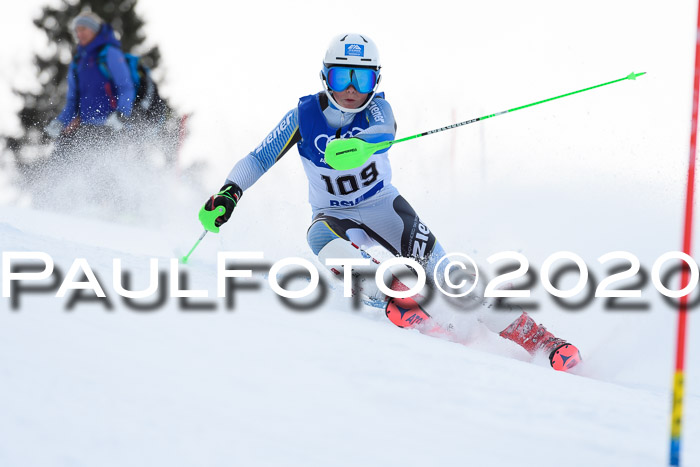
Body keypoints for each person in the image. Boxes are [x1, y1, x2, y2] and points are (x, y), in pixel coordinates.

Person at [203, 33, 581, 371]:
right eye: (341, 77)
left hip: (384, 207)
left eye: (362, 78)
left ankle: (545, 342)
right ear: (325, 78)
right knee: (320, 240)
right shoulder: (302, 117)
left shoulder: (376, 110)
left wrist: (361, 145)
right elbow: (257, 158)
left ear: (376, 81)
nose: (351, 89)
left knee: (453, 279)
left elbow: (385, 132)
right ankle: (398, 301)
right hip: (332, 214)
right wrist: (229, 192)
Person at [44, 11, 135, 139]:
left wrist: (121, 114)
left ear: (94, 30)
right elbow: (73, 101)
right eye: (77, 30)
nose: (79, 34)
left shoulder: (109, 54)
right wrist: (60, 123)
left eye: (83, 29)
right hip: (86, 129)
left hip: (112, 127)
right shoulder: (78, 62)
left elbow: (126, 87)